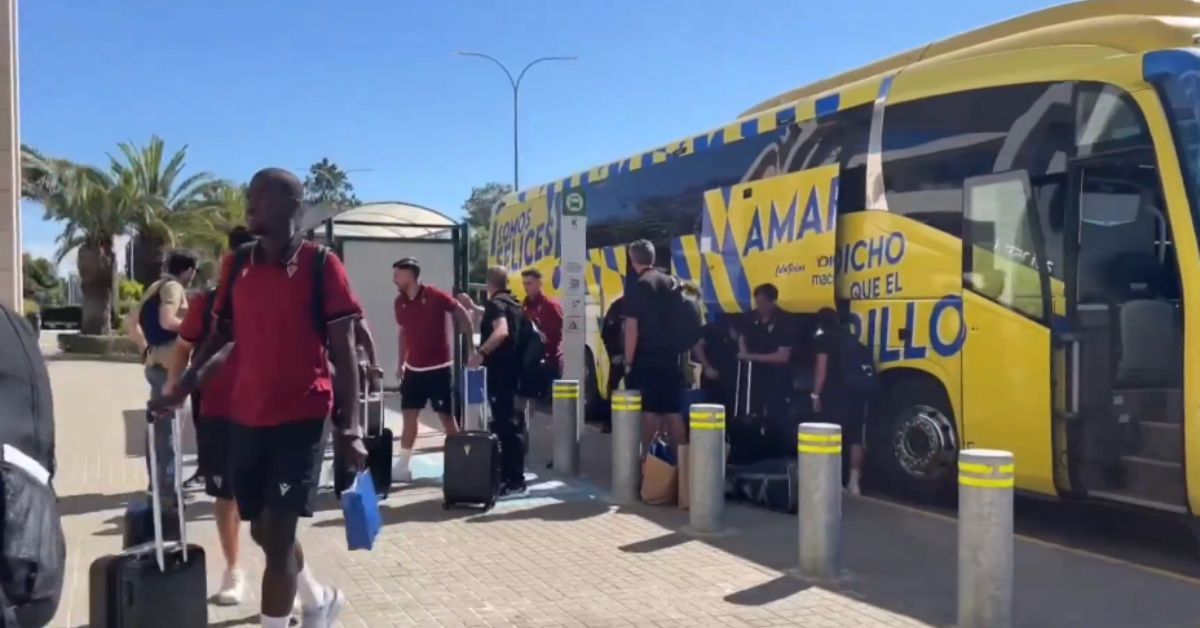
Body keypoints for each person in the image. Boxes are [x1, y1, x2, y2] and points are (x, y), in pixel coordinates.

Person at [152, 168, 365, 627]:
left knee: (281, 527)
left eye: (262, 196)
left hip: (302, 417)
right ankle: (319, 598)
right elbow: (222, 339)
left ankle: (280, 618)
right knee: (265, 530)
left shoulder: (321, 265)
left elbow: (345, 355)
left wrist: (350, 427)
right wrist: (182, 388)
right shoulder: (239, 265)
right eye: (249, 195)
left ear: (294, 207)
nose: (250, 204)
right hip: (247, 417)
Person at [166, 226, 255, 605]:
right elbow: (182, 349)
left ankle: (287, 576)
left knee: (273, 503)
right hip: (217, 412)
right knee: (225, 494)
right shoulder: (208, 302)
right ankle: (234, 570)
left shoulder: (279, 302)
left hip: (270, 414)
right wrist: (174, 392)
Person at [391, 257, 474, 482]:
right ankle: (403, 466)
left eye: (397, 274)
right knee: (409, 416)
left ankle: (459, 465)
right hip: (413, 370)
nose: (394, 280)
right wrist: (400, 362)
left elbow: (462, 314)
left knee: (447, 419)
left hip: (439, 369)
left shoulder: (435, 295)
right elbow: (403, 333)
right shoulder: (399, 303)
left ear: (409, 274)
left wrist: (471, 348)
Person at [129, 250, 197, 505]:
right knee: (168, 431)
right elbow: (168, 320)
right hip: (171, 367)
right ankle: (167, 492)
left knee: (158, 427)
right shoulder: (174, 288)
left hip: (154, 364)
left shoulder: (154, 287)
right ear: (188, 270)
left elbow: (131, 322)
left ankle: (155, 485)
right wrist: (196, 328)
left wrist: (144, 348)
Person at [622, 239, 686, 460]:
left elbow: (632, 328)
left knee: (650, 410)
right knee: (673, 410)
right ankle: (684, 464)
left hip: (647, 356)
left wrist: (629, 362)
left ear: (632, 260)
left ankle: (646, 460)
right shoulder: (671, 281)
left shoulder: (639, 285)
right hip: (671, 356)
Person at [467, 266, 526, 495]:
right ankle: (514, 476)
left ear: (489, 284)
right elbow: (498, 320)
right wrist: (474, 308)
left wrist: (481, 353)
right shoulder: (514, 304)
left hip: (501, 374)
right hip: (515, 373)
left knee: (505, 425)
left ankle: (514, 480)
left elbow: (500, 331)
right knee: (511, 423)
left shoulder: (495, 305)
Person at [812, 307, 865, 495]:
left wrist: (815, 394)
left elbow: (822, 371)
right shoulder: (851, 338)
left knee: (832, 437)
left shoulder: (823, 340)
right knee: (855, 437)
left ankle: (835, 481)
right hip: (856, 392)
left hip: (834, 393)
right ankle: (854, 482)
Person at [737, 283, 795, 422]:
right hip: (754, 377)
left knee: (777, 416)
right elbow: (741, 335)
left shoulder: (785, 321)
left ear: (772, 301)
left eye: (762, 303)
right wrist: (744, 353)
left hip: (777, 378)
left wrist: (751, 357)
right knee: (751, 414)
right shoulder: (751, 317)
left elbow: (783, 356)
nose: (759, 306)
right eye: (757, 302)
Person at [693, 314, 739, 416]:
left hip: (734, 380)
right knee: (711, 410)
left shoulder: (747, 328)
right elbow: (697, 345)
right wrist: (707, 366)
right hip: (713, 377)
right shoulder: (714, 327)